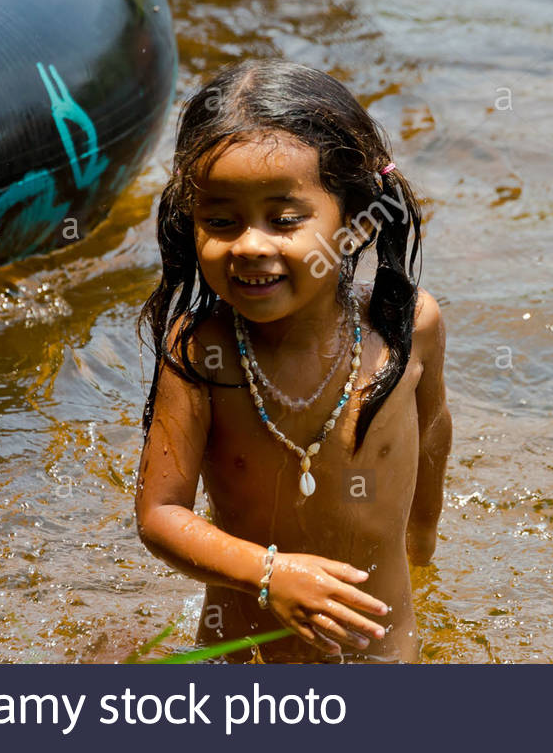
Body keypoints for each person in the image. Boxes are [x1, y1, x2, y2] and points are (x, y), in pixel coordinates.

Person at [134, 60, 452, 662]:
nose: (250, 243)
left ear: (356, 225)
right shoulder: (201, 352)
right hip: (239, 659)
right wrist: (267, 573)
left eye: (284, 219)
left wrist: (424, 548)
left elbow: (432, 433)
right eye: (219, 220)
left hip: (381, 658)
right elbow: (160, 514)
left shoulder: (408, 329)